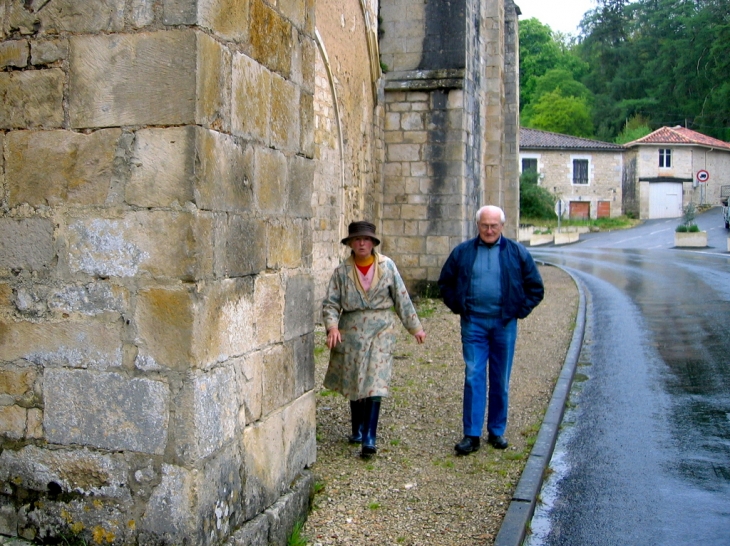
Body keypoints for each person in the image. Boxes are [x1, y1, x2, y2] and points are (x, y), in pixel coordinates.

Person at [438, 205, 544, 455]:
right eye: (484, 225)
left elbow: (536, 288)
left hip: (504, 324)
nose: (489, 230)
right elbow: (446, 282)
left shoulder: (517, 253)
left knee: (500, 379)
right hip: (473, 323)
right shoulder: (463, 252)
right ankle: (471, 435)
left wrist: (519, 310)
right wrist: (458, 306)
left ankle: (496, 430)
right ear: (478, 225)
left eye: (494, 225)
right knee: (474, 375)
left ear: (502, 226)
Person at [322, 221, 426, 457]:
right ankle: (357, 428)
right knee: (355, 378)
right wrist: (332, 327)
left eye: (366, 239)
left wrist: (415, 327)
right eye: (357, 239)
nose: (361, 243)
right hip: (353, 330)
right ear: (350, 243)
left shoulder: (387, 266)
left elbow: (401, 297)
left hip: (381, 329)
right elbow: (330, 303)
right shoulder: (341, 272)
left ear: (373, 243)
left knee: (375, 380)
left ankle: (370, 437)